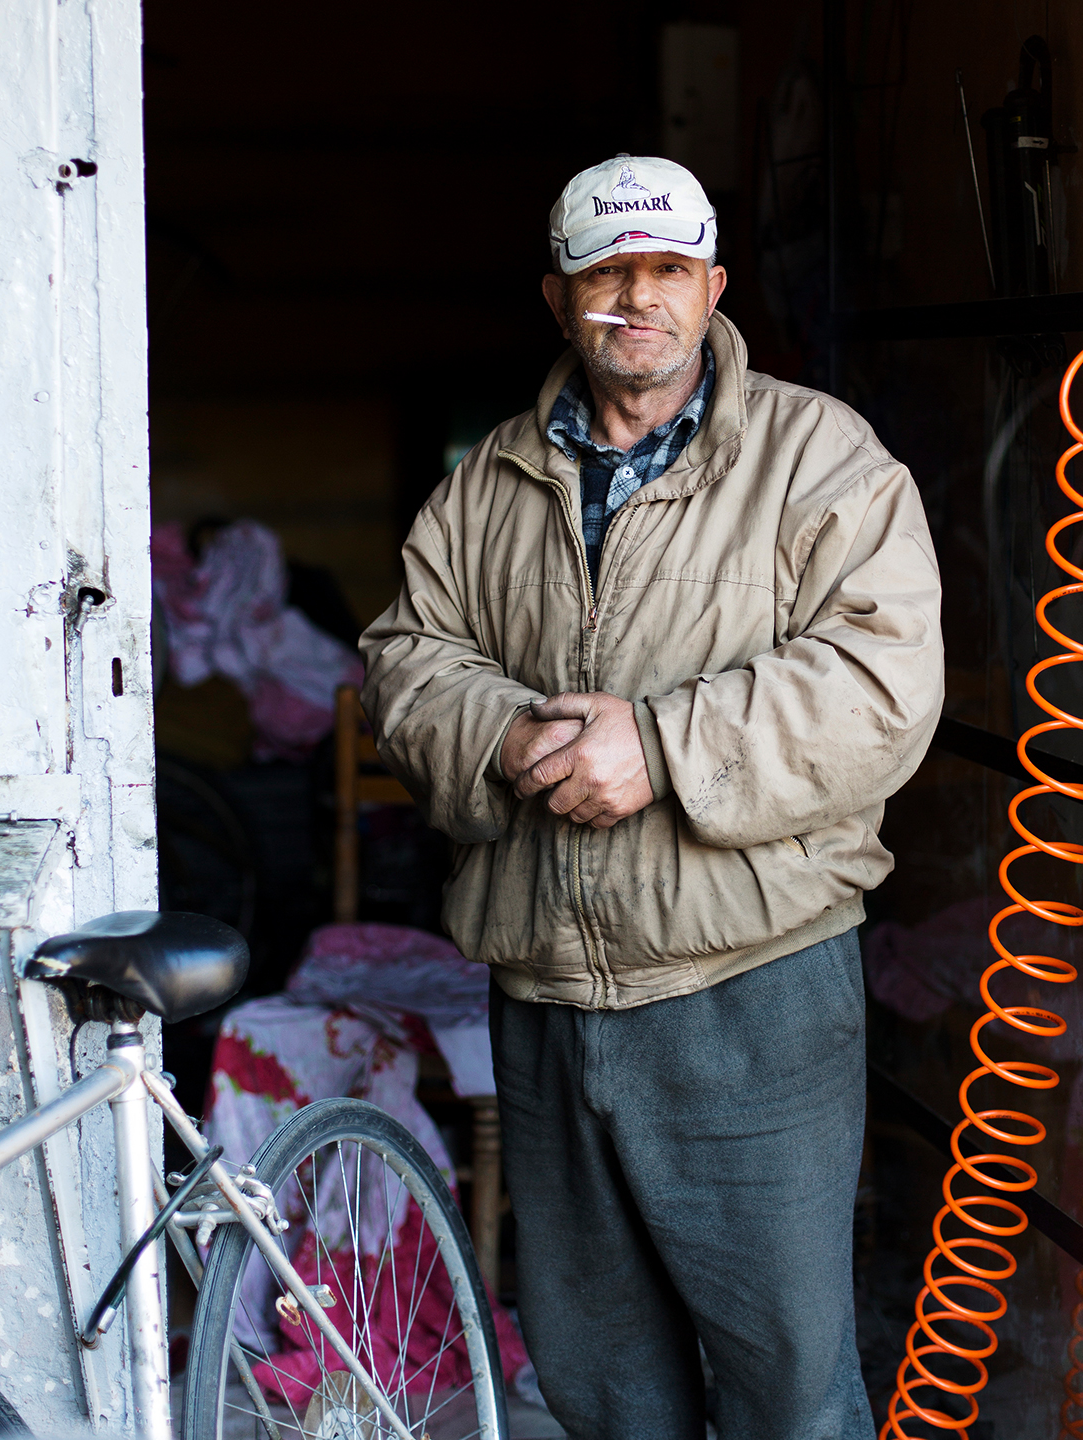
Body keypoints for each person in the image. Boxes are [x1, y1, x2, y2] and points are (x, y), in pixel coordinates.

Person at [360, 154, 943, 1440]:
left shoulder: (816, 459)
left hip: (750, 987)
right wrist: (510, 736)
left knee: (785, 1388)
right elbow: (405, 663)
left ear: (713, 286)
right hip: (547, 997)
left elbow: (881, 686)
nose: (638, 298)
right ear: (558, 297)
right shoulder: (486, 483)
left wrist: (663, 748)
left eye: (666, 271)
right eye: (606, 273)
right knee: (603, 1387)